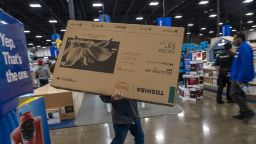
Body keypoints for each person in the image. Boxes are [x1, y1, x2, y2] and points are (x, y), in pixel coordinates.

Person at [230, 33, 255, 123]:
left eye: (235, 39)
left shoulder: (245, 48)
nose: (233, 41)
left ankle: (248, 112)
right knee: (241, 94)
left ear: (240, 39)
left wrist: (239, 78)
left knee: (234, 93)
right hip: (237, 76)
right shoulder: (240, 48)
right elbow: (237, 64)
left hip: (241, 77)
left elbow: (246, 64)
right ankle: (243, 113)